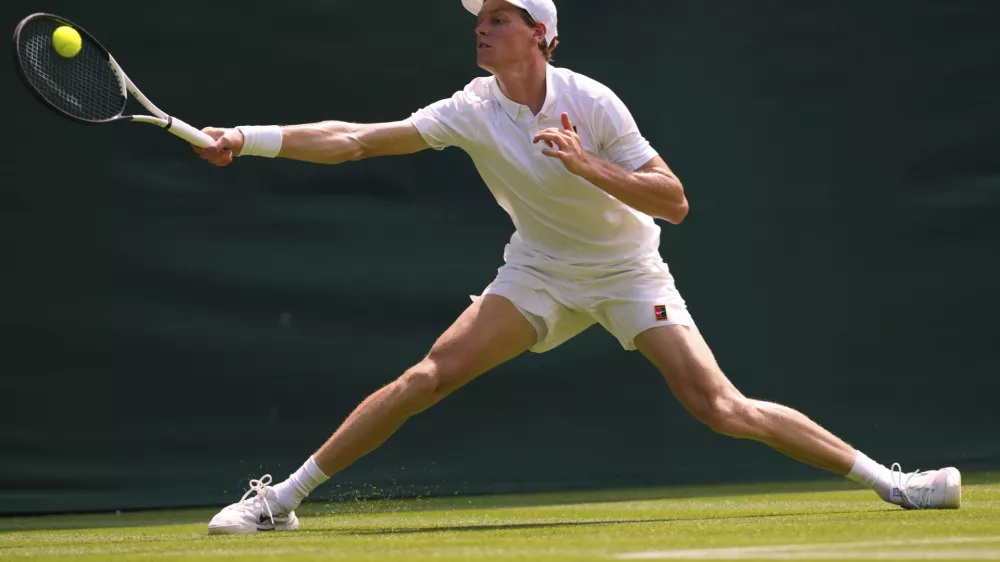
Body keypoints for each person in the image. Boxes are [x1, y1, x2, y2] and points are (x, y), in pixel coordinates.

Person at [194, 0, 961, 535]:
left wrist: (586, 164)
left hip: (629, 273)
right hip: (537, 272)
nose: (482, 28)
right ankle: (281, 501)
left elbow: (674, 202)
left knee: (721, 408)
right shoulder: (470, 107)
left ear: (541, 35)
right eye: (480, 19)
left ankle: (897, 484)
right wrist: (246, 137)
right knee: (427, 377)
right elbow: (357, 139)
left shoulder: (592, 101)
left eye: (500, 19)